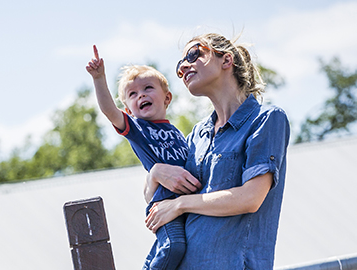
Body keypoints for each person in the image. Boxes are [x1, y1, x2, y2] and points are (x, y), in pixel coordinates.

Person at [144, 33, 290, 270]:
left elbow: (250, 198)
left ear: (226, 60)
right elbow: (158, 202)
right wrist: (155, 173)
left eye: (194, 54)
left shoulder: (266, 120)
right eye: (179, 67)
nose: (184, 67)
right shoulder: (197, 134)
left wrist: (181, 204)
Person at [86, 45, 199, 270]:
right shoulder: (137, 128)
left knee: (186, 248)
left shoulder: (177, 131)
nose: (142, 95)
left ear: (167, 98)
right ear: (128, 109)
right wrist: (99, 78)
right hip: (163, 204)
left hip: (186, 203)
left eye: (148, 88)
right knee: (173, 246)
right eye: (133, 94)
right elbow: (110, 111)